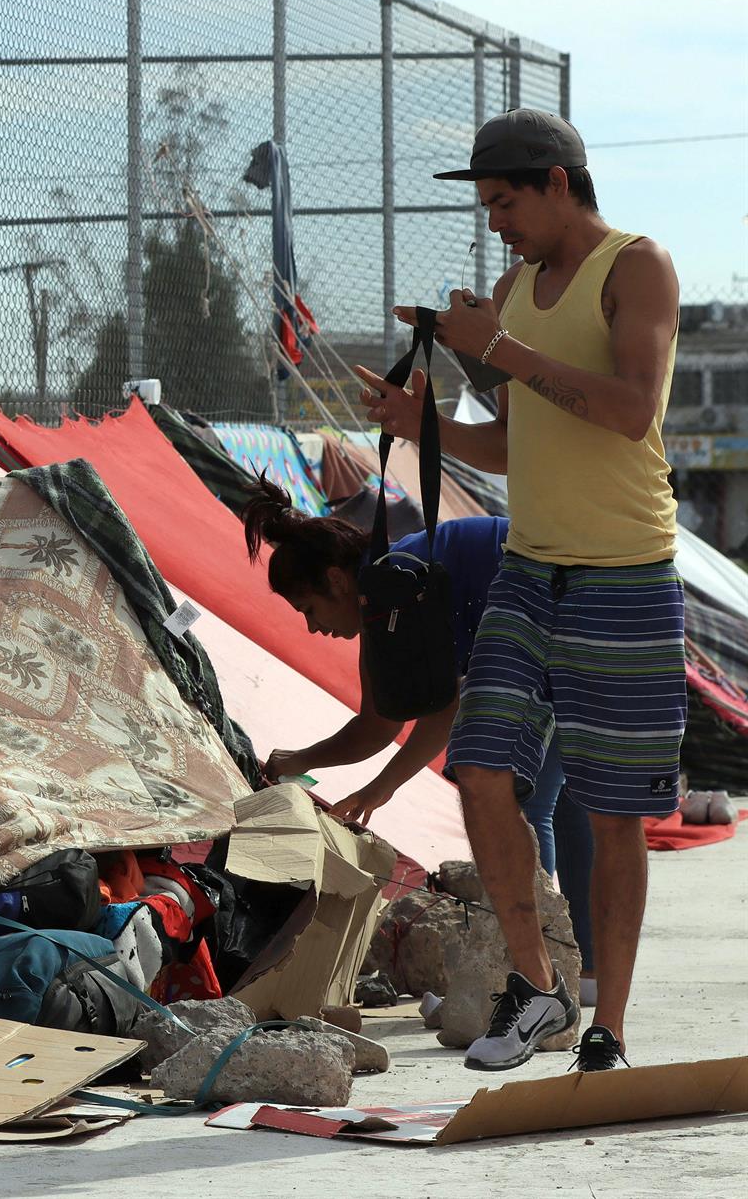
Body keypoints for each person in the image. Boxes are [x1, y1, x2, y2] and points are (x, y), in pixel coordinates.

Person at [356, 108, 683, 1074]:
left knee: (614, 811)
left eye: (505, 202)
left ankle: (607, 1031)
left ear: (556, 181)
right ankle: (538, 990)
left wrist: (496, 351)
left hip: (626, 573)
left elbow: (630, 411)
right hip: (528, 570)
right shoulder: (512, 292)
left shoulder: (638, 268)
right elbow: (516, 441)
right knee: (481, 769)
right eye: (488, 206)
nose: (496, 224)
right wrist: (425, 423)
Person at [242, 485, 595, 995]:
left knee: (523, 796)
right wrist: (334, 774)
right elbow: (392, 719)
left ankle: (542, 971)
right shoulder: (387, 578)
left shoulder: (390, 591)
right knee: (564, 798)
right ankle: (581, 970)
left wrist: (345, 779)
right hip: (578, 601)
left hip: (555, 611)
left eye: (309, 609)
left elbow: (419, 720)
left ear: (337, 581)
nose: (312, 628)